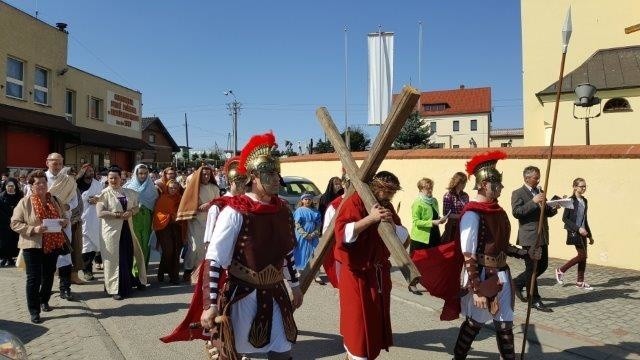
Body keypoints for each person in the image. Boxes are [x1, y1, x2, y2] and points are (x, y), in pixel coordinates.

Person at [199, 132, 303, 360]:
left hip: (277, 293)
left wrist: (294, 285)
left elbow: (287, 252)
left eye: (277, 172)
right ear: (253, 177)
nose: (276, 178)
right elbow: (215, 260)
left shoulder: (284, 210)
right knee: (237, 351)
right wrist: (210, 304)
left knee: (283, 350)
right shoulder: (235, 211)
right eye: (269, 173)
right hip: (243, 294)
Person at [453, 151, 540, 360]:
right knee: (474, 325)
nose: (501, 188)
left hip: (502, 274)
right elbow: (469, 255)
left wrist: (525, 253)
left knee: (505, 326)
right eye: (497, 185)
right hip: (482, 276)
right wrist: (477, 291)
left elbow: (503, 246)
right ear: (484, 185)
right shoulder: (472, 214)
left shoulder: (498, 212)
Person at [160, 156, 247, 344]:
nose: (241, 186)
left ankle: (239, 338)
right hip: (217, 248)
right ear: (231, 183)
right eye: (237, 182)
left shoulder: (240, 200)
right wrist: (209, 245)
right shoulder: (220, 203)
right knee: (221, 297)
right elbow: (211, 228)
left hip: (241, 259)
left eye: (243, 181)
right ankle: (217, 338)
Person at [334, 171, 409, 360]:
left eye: (393, 193)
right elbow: (343, 233)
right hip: (357, 276)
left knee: (374, 326)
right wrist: (370, 218)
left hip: (378, 276)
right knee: (357, 328)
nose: (391, 197)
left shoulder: (387, 205)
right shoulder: (355, 201)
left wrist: (392, 223)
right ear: (377, 188)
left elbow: (403, 238)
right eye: (388, 192)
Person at [10, 170, 69, 323]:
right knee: (34, 278)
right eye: (37, 183)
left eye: (43, 182)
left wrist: (64, 222)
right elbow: (14, 223)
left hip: (53, 243)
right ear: (31, 186)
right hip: (32, 245)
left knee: (49, 275)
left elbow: (65, 216)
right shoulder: (25, 202)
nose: (41, 185)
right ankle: (34, 310)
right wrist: (33, 229)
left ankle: (44, 300)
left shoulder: (54, 200)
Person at [511, 166, 558, 313]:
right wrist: (533, 201)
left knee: (542, 265)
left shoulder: (540, 191)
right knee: (532, 269)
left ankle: (517, 283)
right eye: (535, 177)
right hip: (529, 237)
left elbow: (547, 213)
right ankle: (535, 300)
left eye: (538, 177)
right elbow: (517, 212)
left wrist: (555, 206)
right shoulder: (518, 193)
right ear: (527, 178)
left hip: (542, 235)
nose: (538, 180)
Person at [96, 166, 147, 300]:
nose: (113, 180)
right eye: (111, 178)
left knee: (128, 256)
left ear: (121, 179)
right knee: (114, 260)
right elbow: (100, 213)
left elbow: (136, 207)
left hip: (127, 230)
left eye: (116, 178)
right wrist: (116, 215)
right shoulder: (104, 194)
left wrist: (130, 212)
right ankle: (114, 288)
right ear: (107, 179)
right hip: (111, 232)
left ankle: (128, 283)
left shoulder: (129, 192)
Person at [176, 165, 220, 282]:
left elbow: (219, 202)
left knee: (206, 247)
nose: (206, 176)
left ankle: (200, 272)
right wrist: (196, 207)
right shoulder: (194, 188)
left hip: (210, 220)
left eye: (208, 174)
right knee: (194, 247)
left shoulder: (214, 188)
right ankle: (188, 269)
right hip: (195, 220)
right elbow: (188, 203)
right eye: (204, 174)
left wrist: (210, 204)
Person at [408, 178, 448, 295]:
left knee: (433, 262)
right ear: (421, 189)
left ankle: (430, 284)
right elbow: (416, 221)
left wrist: (441, 219)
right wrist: (432, 222)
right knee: (417, 262)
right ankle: (412, 284)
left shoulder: (434, 201)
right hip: (420, 237)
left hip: (434, 234)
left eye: (431, 188)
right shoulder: (417, 202)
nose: (430, 190)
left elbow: (435, 215)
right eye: (428, 188)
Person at [555, 178, 594, 290]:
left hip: (583, 232)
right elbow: (565, 218)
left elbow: (585, 220)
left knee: (583, 257)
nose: (584, 188)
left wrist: (590, 235)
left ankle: (580, 282)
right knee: (582, 255)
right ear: (575, 187)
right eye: (581, 186)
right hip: (574, 231)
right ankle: (561, 270)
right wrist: (578, 229)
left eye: (585, 186)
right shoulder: (570, 200)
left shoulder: (585, 201)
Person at [124, 164, 158, 279]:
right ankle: (135, 274)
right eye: (140, 173)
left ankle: (143, 274)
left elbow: (154, 205)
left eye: (145, 173)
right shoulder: (128, 187)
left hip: (147, 219)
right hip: (133, 218)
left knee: (145, 246)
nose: (143, 175)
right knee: (135, 245)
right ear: (136, 174)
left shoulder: (152, 187)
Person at [76, 164, 103, 281]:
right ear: (83, 172)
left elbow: (104, 198)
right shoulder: (76, 185)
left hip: (94, 220)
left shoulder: (98, 184)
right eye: (88, 171)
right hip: (80, 219)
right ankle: (87, 270)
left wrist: (97, 200)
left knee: (93, 245)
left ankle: (89, 266)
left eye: (92, 170)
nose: (91, 172)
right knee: (85, 246)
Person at [154, 180, 183, 284]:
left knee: (176, 251)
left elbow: (183, 212)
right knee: (168, 251)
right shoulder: (163, 199)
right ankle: (167, 273)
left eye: (175, 188)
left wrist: (177, 217)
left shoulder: (180, 198)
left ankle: (173, 276)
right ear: (167, 188)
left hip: (177, 227)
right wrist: (171, 216)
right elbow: (158, 214)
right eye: (171, 188)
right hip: (164, 227)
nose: (173, 190)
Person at [293, 193, 322, 282]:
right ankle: (300, 271)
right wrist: (305, 234)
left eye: (309, 199)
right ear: (302, 200)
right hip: (302, 236)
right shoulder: (299, 210)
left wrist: (314, 233)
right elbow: (297, 224)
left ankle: (316, 274)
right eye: (305, 199)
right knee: (300, 252)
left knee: (314, 253)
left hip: (313, 236)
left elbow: (318, 224)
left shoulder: (316, 211)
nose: (307, 201)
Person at [441, 172, 470, 244]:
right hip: (452, 227)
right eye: (462, 183)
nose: (464, 185)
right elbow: (446, 214)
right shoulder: (448, 195)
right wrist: (461, 216)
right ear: (457, 182)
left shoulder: (465, 195)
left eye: (465, 182)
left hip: (464, 225)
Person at [0, 178, 22, 267]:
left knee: (15, 241)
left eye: (12, 186)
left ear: (15, 187)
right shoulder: (1, 196)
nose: (10, 188)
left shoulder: (20, 196)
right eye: (8, 186)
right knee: (5, 242)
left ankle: (12, 258)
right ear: (5, 187)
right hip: (4, 223)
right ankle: (5, 258)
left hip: (17, 223)